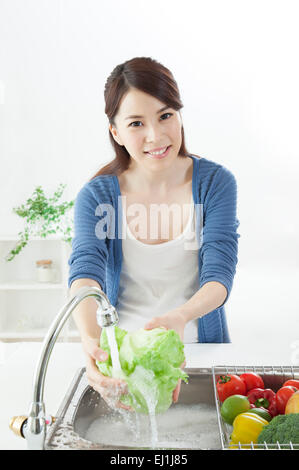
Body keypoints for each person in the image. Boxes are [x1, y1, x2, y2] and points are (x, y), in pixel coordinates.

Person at [68, 57, 240, 410]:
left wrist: (179, 317)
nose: (156, 136)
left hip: (201, 353)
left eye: (165, 116)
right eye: (136, 123)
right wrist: (91, 340)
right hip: (125, 361)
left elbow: (219, 275)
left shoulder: (215, 184)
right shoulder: (98, 196)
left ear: (179, 114)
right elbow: (85, 272)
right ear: (115, 132)